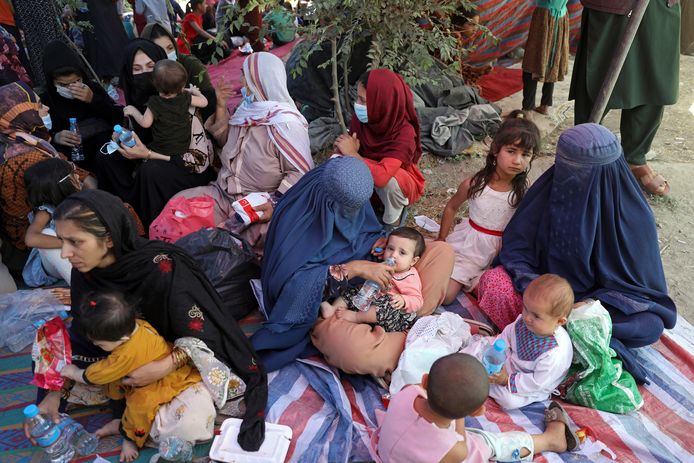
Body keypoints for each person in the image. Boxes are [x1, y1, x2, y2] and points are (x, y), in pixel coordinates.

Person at [28, 190, 267, 452]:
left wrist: (164, 365)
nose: (65, 253)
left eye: (75, 242)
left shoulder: (161, 268)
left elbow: (203, 332)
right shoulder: (85, 272)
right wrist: (52, 393)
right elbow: (86, 334)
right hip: (119, 359)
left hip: (169, 357)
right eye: (62, 241)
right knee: (47, 344)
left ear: (108, 239)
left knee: (188, 423)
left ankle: (131, 420)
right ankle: (124, 413)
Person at [475, 123, 677, 384]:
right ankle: (561, 343)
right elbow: (517, 249)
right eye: (570, 170)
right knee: (493, 283)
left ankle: (547, 339)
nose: (575, 180)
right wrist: (539, 289)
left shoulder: (633, 217)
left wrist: (590, 306)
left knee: (650, 326)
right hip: (541, 296)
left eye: (586, 173)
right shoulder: (549, 191)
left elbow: (638, 289)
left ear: (609, 170)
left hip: (595, 305)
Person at [252, 156, 455, 373]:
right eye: (347, 209)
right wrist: (355, 269)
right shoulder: (296, 218)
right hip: (331, 309)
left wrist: (383, 243)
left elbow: (365, 230)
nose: (355, 214)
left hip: (386, 289)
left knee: (442, 252)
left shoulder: (353, 195)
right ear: (330, 202)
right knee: (356, 351)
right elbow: (288, 286)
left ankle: (408, 321)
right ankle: (407, 336)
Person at [170, 51, 311, 255]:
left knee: (234, 247)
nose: (241, 81)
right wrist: (219, 105)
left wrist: (273, 202)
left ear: (260, 80)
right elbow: (226, 144)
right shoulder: (246, 111)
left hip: (259, 205)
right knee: (177, 209)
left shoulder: (286, 124)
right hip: (223, 195)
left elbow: (300, 173)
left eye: (245, 75)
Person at [61, 291, 215, 462]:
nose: (96, 345)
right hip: (170, 371)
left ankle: (130, 438)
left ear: (123, 338)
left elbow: (96, 374)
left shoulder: (124, 355)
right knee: (114, 385)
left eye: (101, 344)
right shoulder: (138, 325)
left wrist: (74, 372)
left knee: (138, 409)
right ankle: (118, 419)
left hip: (156, 384)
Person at [95, 39, 216, 227]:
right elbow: (140, 130)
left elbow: (199, 158)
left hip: (185, 163)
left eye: (151, 66)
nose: (144, 74)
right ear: (128, 73)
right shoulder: (140, 101)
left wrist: (148, 155)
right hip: (149, 153)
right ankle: (120, 217)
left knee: (150, 171)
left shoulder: (184, 101)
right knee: (106, 155)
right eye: (136, 69)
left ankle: (153, 225)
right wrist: (125, 137)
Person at [376, 353, 577, 463]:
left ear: (425, 380)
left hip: (387, 452)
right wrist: (460, 418)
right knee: (488, 443)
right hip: (447, 455)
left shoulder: (407, 391)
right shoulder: (453, 448)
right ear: (476, 412)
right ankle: (550, 441)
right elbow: (462, 449)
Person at [570, 0, 680, 196]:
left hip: (659, 5)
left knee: (654, 78)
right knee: (598, 78)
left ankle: (634, 157)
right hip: (614, 5)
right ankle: (584, 155)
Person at [437, 112, 540, 304]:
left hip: (502, 253)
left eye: (525, 154)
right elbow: (451, 207)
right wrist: (441, 239)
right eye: (511, 151)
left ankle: (475, 284)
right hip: (470, 248)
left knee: (498, 294)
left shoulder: (524, 191)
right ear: (495, 149)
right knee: (447, 296)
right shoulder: (475, 184)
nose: (518, 161)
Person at [0, 81, 93, 271]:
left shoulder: (22, 141)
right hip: (31, 248)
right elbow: (77, 179)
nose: (47, 108)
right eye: (40, 105)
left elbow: (74, 172)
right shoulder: (25, 157)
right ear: (23, 112)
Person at [462, 275, 574, 410]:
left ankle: (484, 382)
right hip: (510, 359)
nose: (527, 317)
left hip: (528, 382)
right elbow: (508, 334)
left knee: (509, 401)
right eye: (525, 308)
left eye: (536, 316)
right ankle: (463, 363)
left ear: (559, 322)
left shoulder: (555, 353)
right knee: (481, 347)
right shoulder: (525, 322)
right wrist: (497, 351)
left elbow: (537, 382)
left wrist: (506, 380)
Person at [335, 69, 425, 228]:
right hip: (369, 181)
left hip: (396, 185)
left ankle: (392, 221)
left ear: (382, 102)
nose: (358, 104)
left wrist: (352, 154)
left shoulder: (404, 132)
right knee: (336, 163)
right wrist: (343, 152)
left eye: (363, 101)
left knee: (390, 182)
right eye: (358, 98)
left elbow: (383, 177)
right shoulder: (364, 119)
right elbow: (345, 148)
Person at [321, 226, 425, 332]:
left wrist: (403, 300)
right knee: (355, 290)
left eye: (402, 253)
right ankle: (333, 309)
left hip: (390, 317)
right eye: (390, 248)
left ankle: (355, 317)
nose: (393, 255)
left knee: (388, 304)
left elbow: (418, 300)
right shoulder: (381, 265)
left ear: (413, 261)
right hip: (369, 303)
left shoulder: (410, 277)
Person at [41, 40, 124, 170]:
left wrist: (93, 100)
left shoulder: (92, 89)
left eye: (76, 81)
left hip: (106, 151)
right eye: (63, 85)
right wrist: (55, 136)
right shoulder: (46, 100)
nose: (71, 88)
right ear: (52, 82)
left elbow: (118, 119)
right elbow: (41, 134)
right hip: (74, 158)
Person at [124, 59, 208, 157]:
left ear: (154, 84)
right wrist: (195, 92)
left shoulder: (154, 102)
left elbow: (145, 123)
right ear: (182, 86)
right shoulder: (185, 97)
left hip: (161, 148)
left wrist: (133, 111)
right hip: (183, 146)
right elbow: (204, 102)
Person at [140, 22, 217, 119]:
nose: (167, 55)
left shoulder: (191, 65)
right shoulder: (146, 71)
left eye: (170, 48)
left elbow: (210, 104)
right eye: (160, 51)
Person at [22, 158, 80, 286]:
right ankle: (82, 288)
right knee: (46, 232)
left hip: (82, 255)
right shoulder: (46, 211)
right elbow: (31, 239)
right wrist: (70, 243)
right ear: (61, 185)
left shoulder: (83, 199)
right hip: (56, 263)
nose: (77, 175)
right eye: (72, 174)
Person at [521, 0, 569, 115]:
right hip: (561, 16)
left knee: (533, 60)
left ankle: (527, 109)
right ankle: (545, 105)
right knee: (552, 58)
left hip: (544, 15)